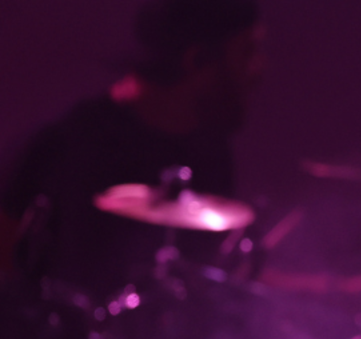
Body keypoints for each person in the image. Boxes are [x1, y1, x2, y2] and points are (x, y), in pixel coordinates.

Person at [0, 0, 264, 298]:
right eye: (247, 52)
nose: (259, 69)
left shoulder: (212, 153)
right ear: (197, 59)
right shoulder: (64, 144)